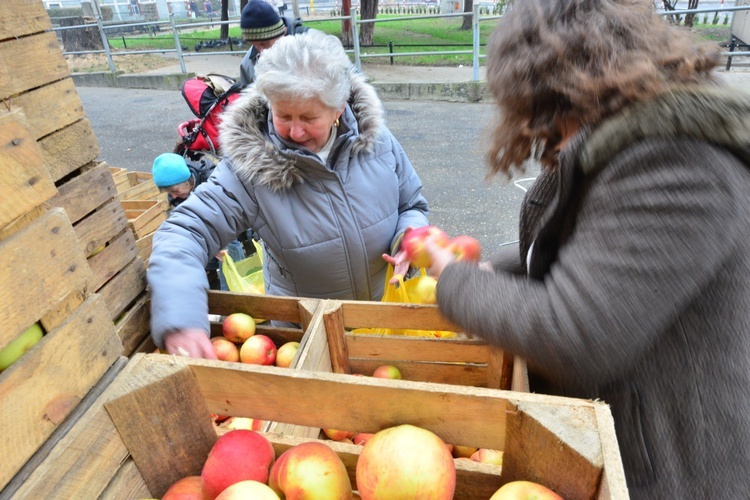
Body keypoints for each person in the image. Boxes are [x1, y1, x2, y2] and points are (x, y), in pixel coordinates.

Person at [424, 0, 750, 497]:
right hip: (628, 434)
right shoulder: (621, 134)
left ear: (561, 88)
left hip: (674, 461)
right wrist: (501, 268)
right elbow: (591, 246)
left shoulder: (676, 160)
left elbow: (575, 333)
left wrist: (456, 281)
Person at [148, 30, 429, 360]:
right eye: (282, 116)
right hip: (307, 335)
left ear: (339, 107)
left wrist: (409, 238)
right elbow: (184, 232)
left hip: (386, 319)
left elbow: (411, 204)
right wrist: (181, 317)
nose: (296, 132)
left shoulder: (377, 141)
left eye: (309, 118)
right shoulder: (249, 169)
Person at [151, 153, 246, 290]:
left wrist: (215, 242)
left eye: (174, 191)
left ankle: (232, 293)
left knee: (227, 245)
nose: (172, 196)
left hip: (229, 228)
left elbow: (232, 216)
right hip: (205, 236)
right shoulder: (177, 194)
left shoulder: (213, 180)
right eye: (169, 192)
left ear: (188, 182)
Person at [238, 0, 309, 86]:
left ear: (282, 33)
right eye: (254, 45)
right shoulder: (248, 64)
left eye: (264, 44)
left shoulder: (310, 45)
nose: (261, 52)